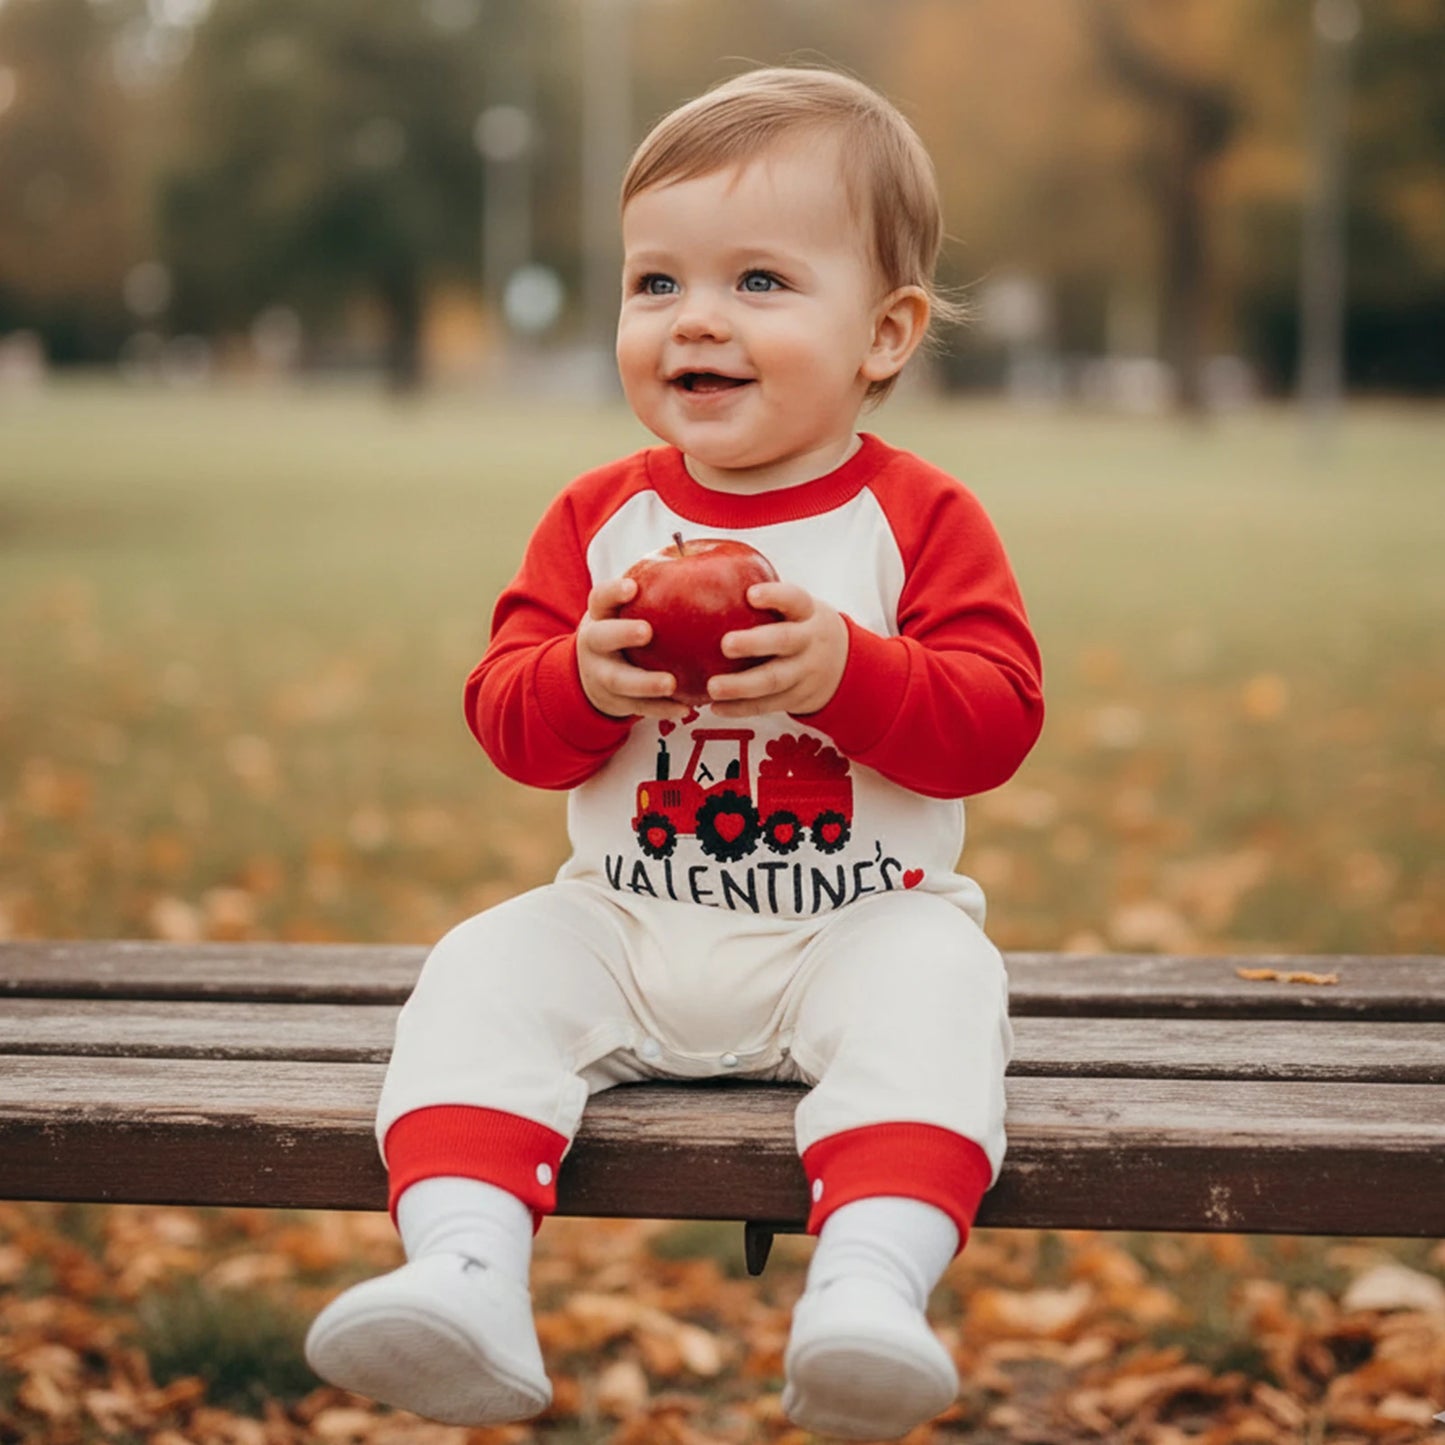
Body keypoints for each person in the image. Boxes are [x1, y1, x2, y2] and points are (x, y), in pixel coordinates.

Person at [305, 64, 1043, 1441]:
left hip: (855, 925)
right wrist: (577, 677)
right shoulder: (600, 520)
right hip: (628, 918)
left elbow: (994, 717)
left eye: (759, 281)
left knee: (943, 990)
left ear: (883, 332)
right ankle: (463, 1270)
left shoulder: (917, 517)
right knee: (477, 967)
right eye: (655, 284)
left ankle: (868, 1289)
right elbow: (507, 719)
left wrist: (850, 670)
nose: (694, 317)